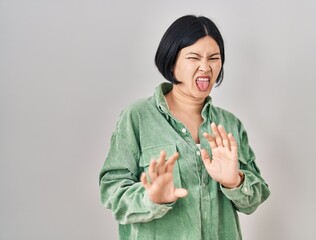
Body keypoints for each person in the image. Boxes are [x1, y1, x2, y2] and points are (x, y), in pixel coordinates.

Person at [99, 15, 270, 240]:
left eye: (214, 58)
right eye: (194, 57)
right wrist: (150, 197)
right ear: (172, 61)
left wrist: (234, 181)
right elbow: (111, 190)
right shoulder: (137, 117)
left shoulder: (230, 125)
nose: (205, 67)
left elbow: (254, 198)